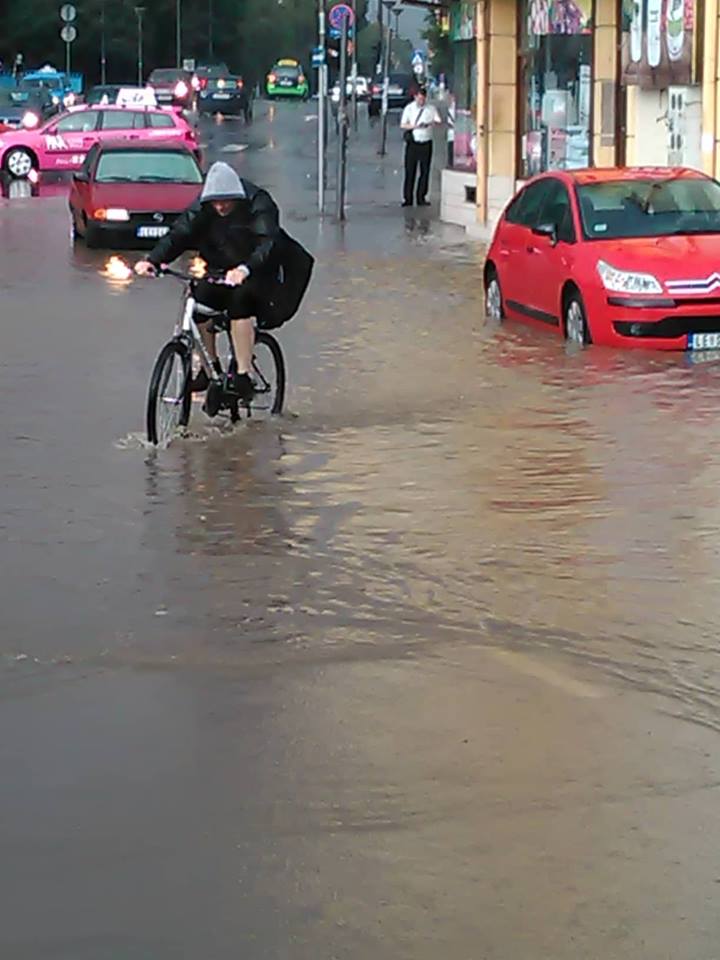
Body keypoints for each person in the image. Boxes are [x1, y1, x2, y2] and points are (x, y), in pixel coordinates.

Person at [135, 161, 282, 402]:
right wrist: (153, 259)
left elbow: (268, 243)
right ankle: (208, 367)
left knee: (240, 303)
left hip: (259, 271)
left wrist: (245, 269)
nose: (221, 206)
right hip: (221, 271)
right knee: (198, 304)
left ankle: (244, 375)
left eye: (226, 201)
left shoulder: (259, 203)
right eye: (216, 201)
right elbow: (179, 234)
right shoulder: (203, 207)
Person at [400, 87, 442, 208]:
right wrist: (414, 126)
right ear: (415, 97)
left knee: (425, 171)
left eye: (423, 99)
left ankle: (421, 197)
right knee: (410, 171)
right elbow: (403, 124)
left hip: (426, 142)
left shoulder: (431, 109)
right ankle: (407, 198)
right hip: (413, 142)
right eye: (419, 99)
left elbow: (438, 121)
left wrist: (430, 123)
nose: (421, 101)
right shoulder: (409, 108)